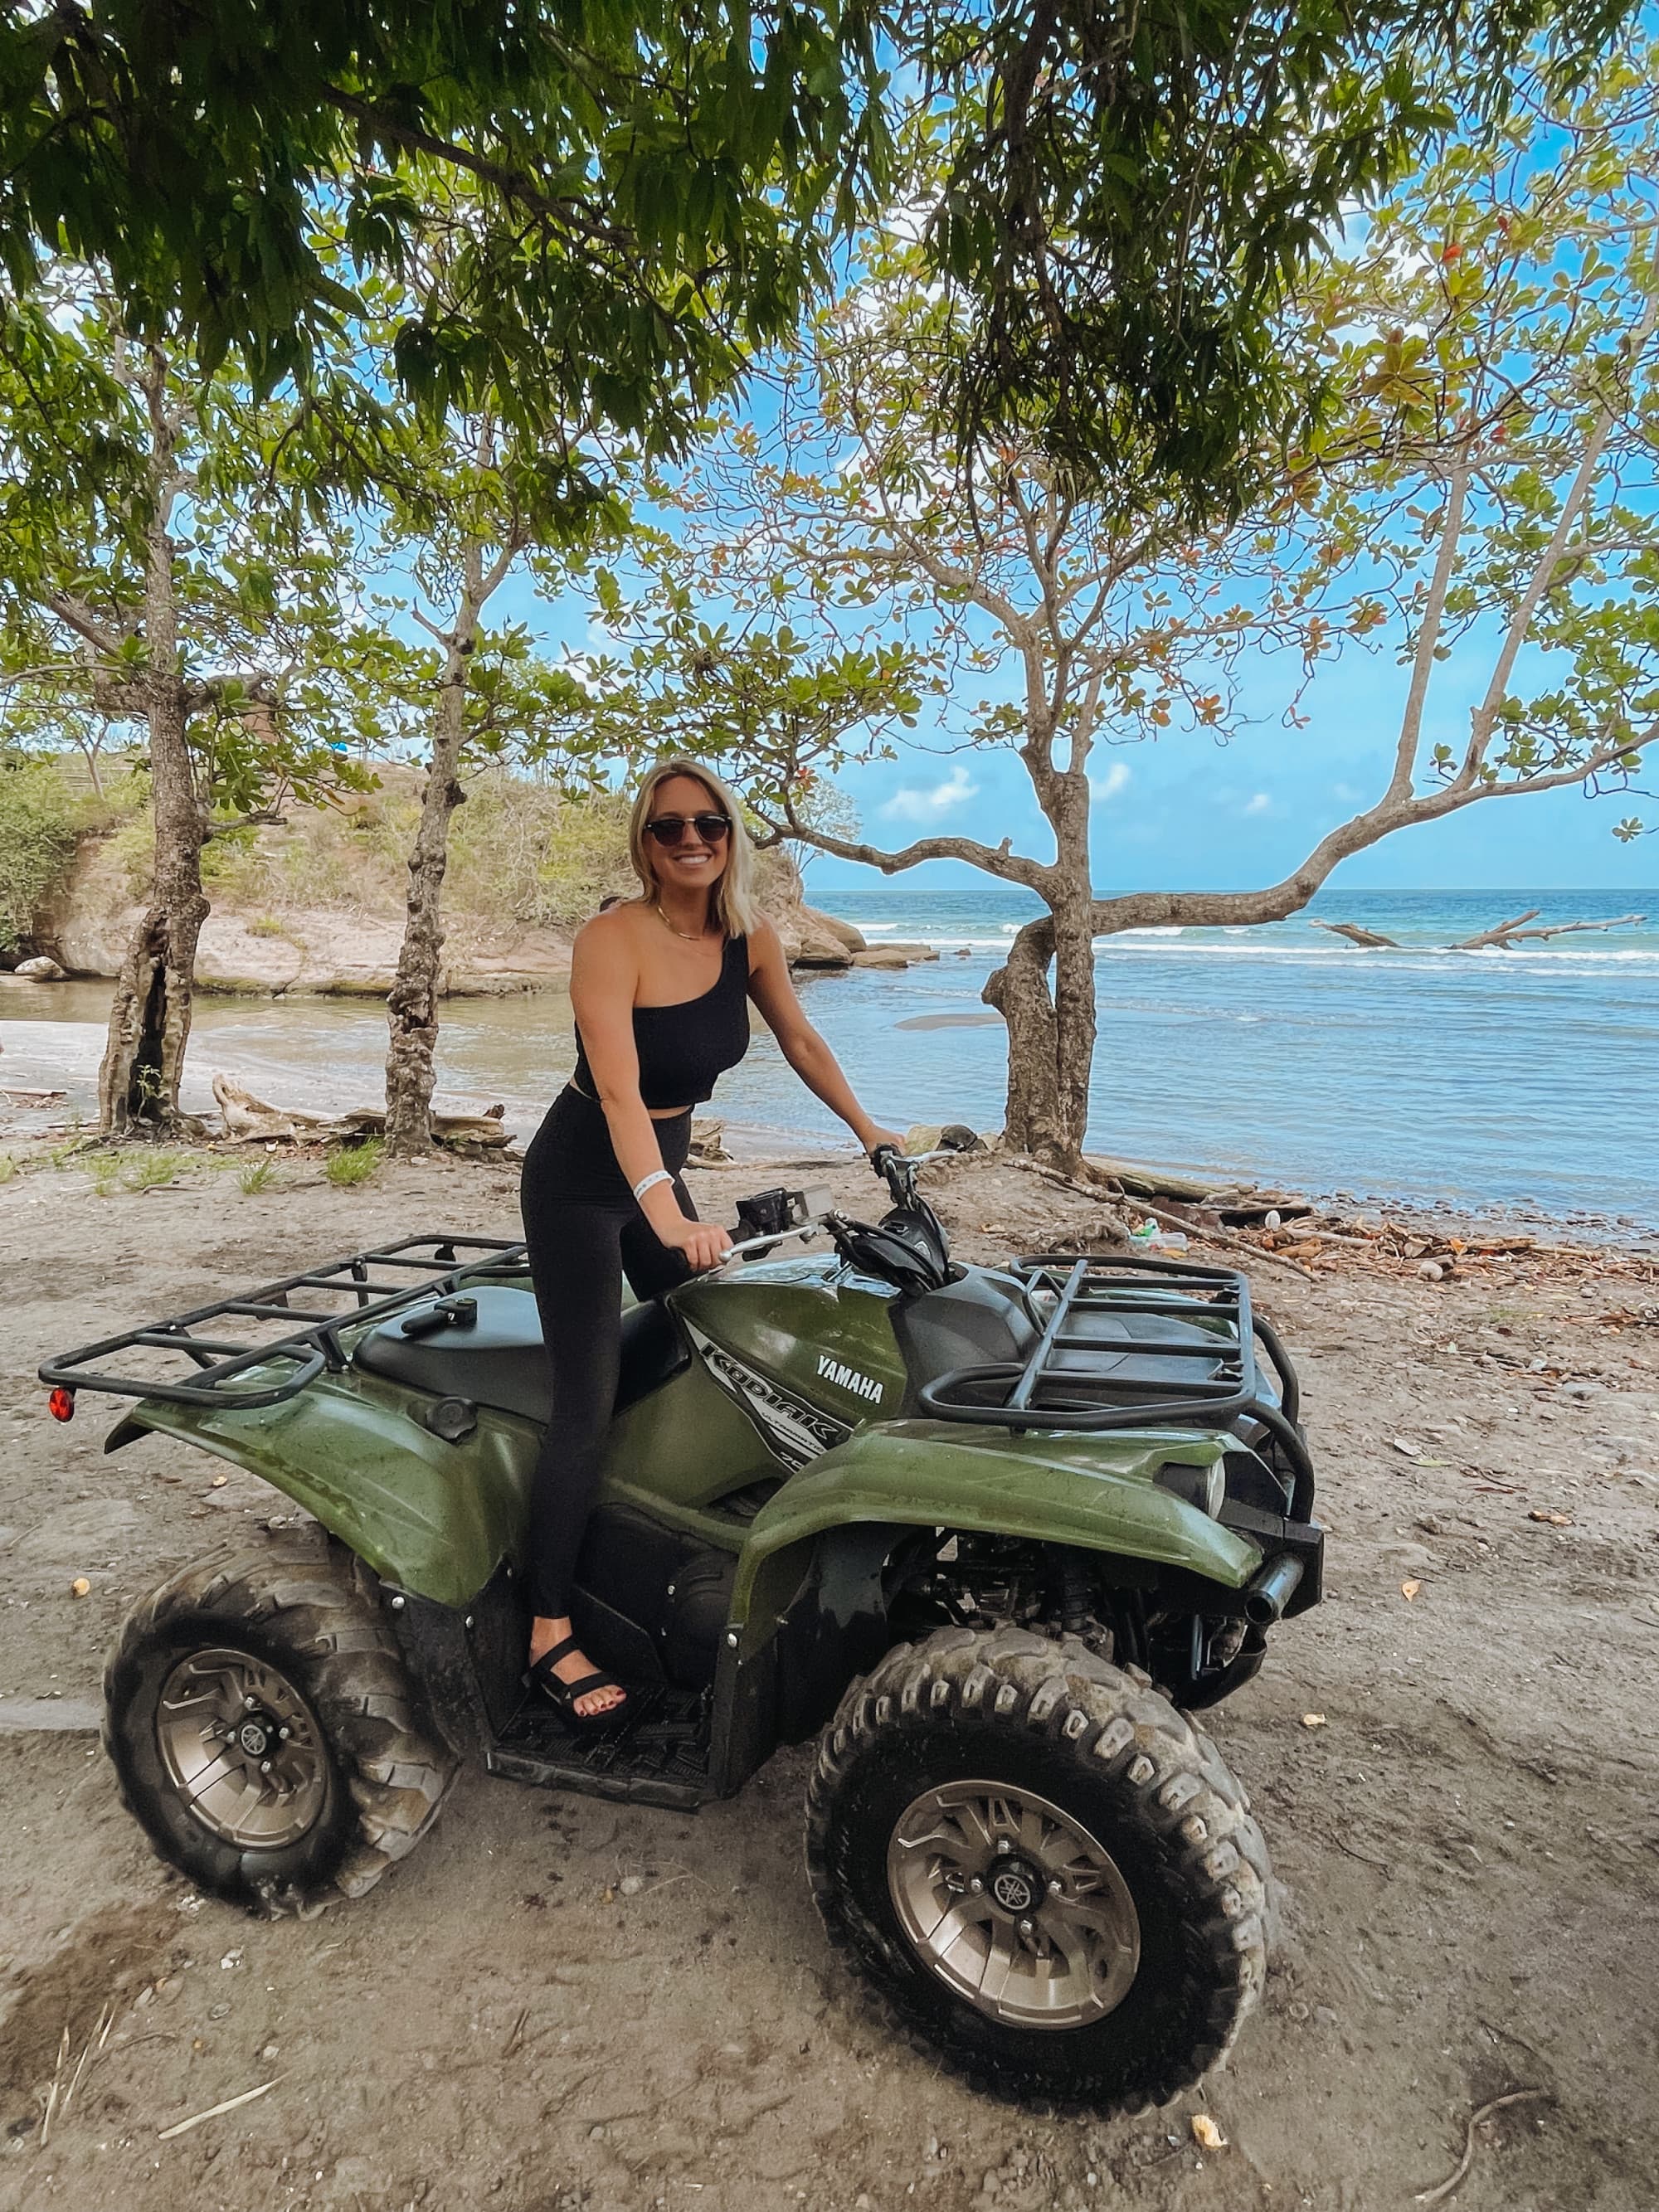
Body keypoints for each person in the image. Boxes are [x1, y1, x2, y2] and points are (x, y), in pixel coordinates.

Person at [519, 757, 902, 1728]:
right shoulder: (612, 939)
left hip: (660, 1168)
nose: (691, 841)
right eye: (668, 828)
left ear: (732, 836)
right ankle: (546, 1628)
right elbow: (613, 1089)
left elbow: (802, 1043)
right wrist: (661, 1212)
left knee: (712, 1320)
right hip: (578, 1179)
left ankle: (662, 1523)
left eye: (709, 826)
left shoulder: (747, 937)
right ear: (643, 844)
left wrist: (873, 1133)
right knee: (585, 1398)